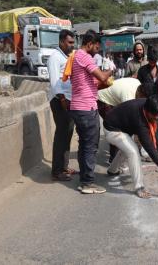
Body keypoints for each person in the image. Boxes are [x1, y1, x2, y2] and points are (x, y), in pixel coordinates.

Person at [104, 95, 158, 198]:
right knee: (133, 151)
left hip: (120, 126)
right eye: (154, 115)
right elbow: (150, 148)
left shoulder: (148, 103)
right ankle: (139, 188)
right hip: (111, 129)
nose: (156, 117)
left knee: (127, 147)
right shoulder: (140, 121)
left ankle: (112, 170)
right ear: (147, 111)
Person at [69, 29, 113, 194]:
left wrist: (104, 82)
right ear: (89, 44)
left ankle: (84, 179)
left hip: (79, 107)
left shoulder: (76, 57)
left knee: (84, 145)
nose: (98, 50)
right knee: (90, 147)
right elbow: (102, 77)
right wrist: (111, 70)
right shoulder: (84, 57)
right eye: (96, 46)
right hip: (86, 108)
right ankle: (87, 183)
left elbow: (93, 83)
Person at [47, 29, 77, 181]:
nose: (72, 45)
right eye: (69, 42)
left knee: (68, 134)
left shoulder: (67, 56)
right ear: (61, 42)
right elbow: (54, 83)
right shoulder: (54, 57)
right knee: (61, 135)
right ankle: (57, 171)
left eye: (73, 42)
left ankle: (64, 167)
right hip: (59, 101)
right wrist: (63, 100)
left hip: (68, 100)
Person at [97, 77, 143, 164]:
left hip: (114, 100)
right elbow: (128, 119)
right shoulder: (128, 97)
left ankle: (116, 156)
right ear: (140, 94)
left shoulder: (138, 83)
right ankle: (113, 160)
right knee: (116, 130)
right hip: (103, 100)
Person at [137, 47, 158, 148]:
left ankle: (154, 148)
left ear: (157, 60)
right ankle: (145, 148)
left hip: (157, 104)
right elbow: (138, 88)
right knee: (145, 126)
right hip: (144, 103)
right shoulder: (142, 71)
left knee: (155, 127)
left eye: (154, 61)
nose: (152, 63)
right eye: (150, 60)